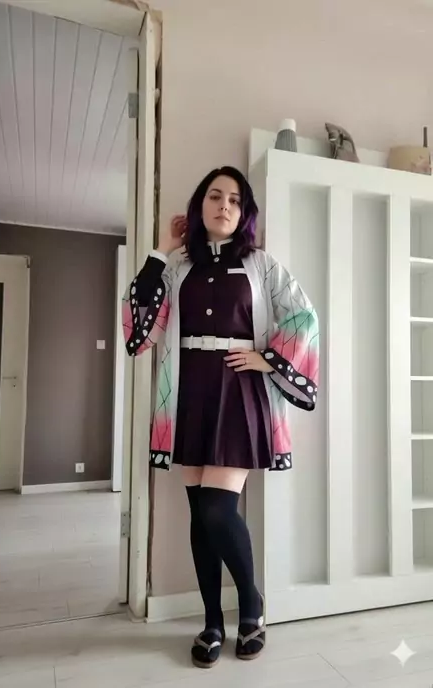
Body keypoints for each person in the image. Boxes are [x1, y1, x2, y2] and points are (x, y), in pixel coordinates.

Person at [123, 166, 319, 669]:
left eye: (234, 200)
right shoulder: (176, 265)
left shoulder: (260, 263)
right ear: (200, 205)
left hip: (238, 391)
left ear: (244, 212)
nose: (224, 206)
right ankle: (212, 621)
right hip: (187, 391)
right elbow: (141, 322)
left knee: (216, 510)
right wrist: (161, 249)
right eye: (215, 196)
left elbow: (304, 316)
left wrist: (267, 358)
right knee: (199, 515)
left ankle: (251, 602)